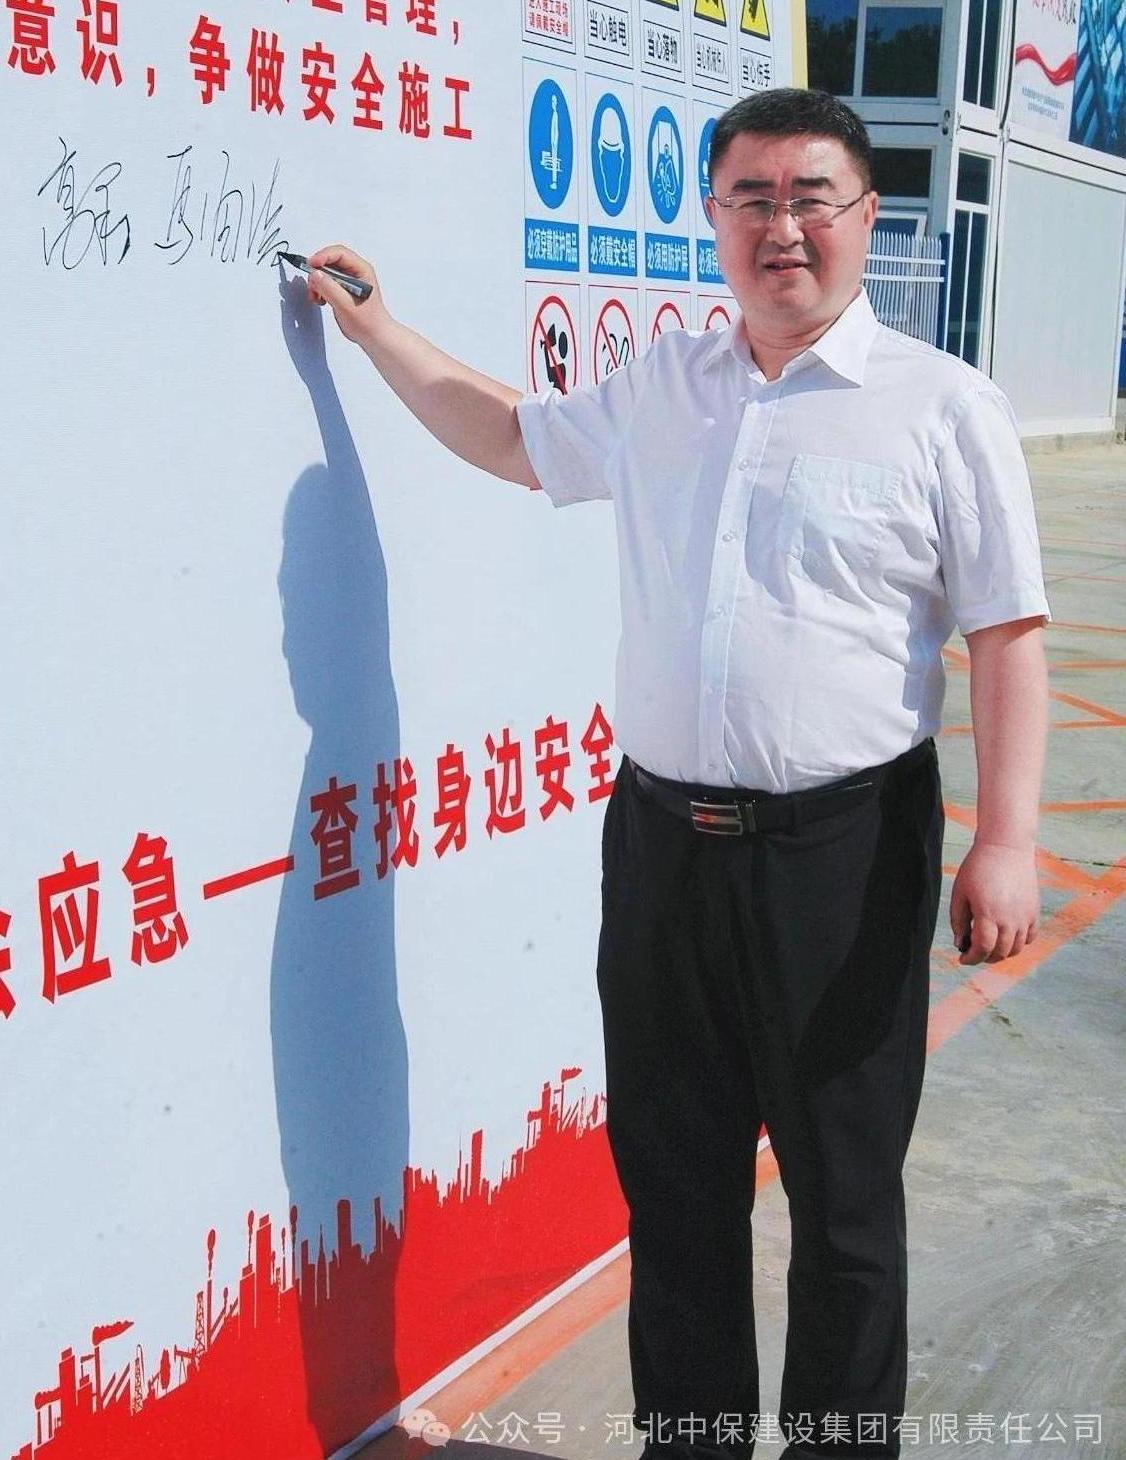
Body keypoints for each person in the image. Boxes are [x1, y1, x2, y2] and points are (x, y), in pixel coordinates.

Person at [303, 88, 1049, 1460]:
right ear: (713, 218)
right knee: (677, 1192)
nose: (782, 227)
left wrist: (1004, 839)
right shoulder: (664, 389)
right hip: (660, 852)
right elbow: (511, 436)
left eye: (811, 197)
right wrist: (376, 330)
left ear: (865, 216)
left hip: (845, 855)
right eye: (751, 198)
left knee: (843, 1204)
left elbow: (1006, 632)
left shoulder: (943, 408)